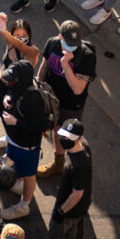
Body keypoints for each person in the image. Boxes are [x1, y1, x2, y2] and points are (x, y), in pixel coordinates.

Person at [37, 20, 95, 176]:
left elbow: (77, 89)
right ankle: (59, 162)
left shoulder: (86, 55)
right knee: (53, 129)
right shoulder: (52, 43)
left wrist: (65, 64)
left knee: (67, 135)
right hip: (52, 99)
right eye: (67, 42)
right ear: (60, 37)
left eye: (74, 43)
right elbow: (43, 68)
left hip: (70, 105)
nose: (71, 46)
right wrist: (38, 91)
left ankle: (74, 166)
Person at [0, 60, 46, 220]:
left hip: (27, 146)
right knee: (14, 161)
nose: (8, 82)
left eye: (11, 79)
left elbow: (41, 125)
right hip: (14, 140)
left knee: (29, 175)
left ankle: (24, 206)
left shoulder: (32, 98)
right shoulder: (17, 88)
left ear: (21, 79)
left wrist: (16, 122)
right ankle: (18, 183)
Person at [47, 119, 92, 239]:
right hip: (79, 210)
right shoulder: (85, 147)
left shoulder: (77, 165)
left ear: (79, 139)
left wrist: (61, 212)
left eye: (69, 138)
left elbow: (77, 194)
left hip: (68, 213)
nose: (64, 140)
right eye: (64, 135)